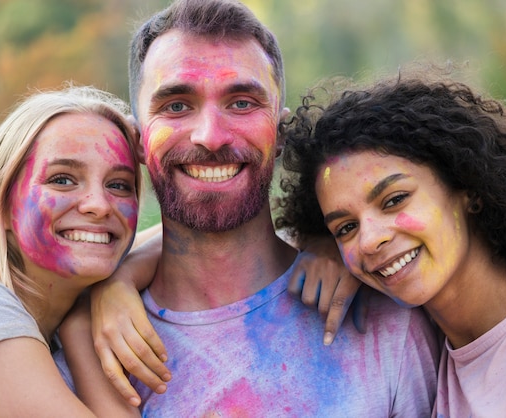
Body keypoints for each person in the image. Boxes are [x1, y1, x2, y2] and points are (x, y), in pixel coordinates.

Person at [63, 0, 441, 415]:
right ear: (137, 141)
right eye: (176, 105)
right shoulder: (92, 351)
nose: (210, 136)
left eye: (241, 102)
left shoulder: (387, 321)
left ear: (280, 132)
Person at [276, 71, 506, 417]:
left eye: (395, 200)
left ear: (467, 188)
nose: (369, 239)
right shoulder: (440, 343)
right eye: (346, 227)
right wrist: (319, 245)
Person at [0, 85, 143, 417]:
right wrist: (80, 328)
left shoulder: (49, 328)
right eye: (62, 180)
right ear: (0, 205)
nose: (100, 206)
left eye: (118, 185)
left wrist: (122, 278)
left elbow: (189, 243)